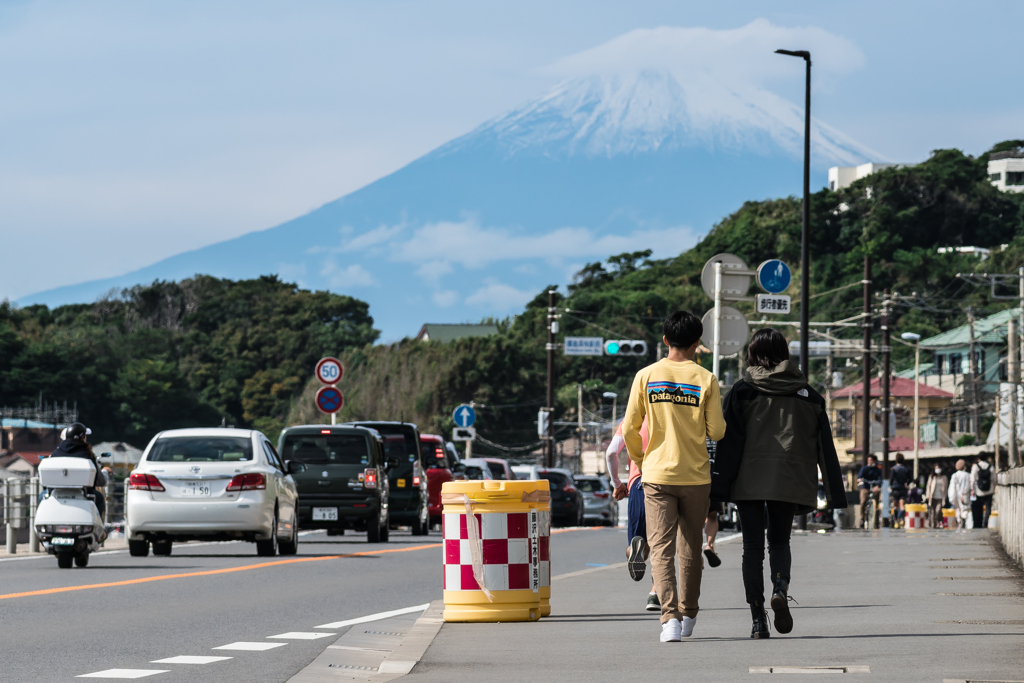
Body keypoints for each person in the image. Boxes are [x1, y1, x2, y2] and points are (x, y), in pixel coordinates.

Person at [712, 328, 846, 639]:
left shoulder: (742, 391)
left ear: (752, 355)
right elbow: (825, 446)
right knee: (780, 542)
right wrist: (836, 494)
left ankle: (758, 618)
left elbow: (728, 443)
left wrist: (717, 489)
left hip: (748, 481)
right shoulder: (810, 395)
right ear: (785, 354)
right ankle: (780, 589)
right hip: (790, 480)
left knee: (752, 549)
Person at [622, 311, 726, 643]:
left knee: (661, 547)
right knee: (691, 547)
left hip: (656, 475)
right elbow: (718, 431)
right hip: (695, 476)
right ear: (698, 343)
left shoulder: (646, 375)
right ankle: (689, 612)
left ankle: (669, 621)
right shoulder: (706, 379)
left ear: (665, 340)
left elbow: (628, 429)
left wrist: (642, 460)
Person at [606, 418, 660, 611]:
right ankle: (655, 593)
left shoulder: (630, 420)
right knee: (660, 544)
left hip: (639, 483)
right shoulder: (668, 410)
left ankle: (633, 552)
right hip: (666, 481)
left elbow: (611, 452)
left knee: (639, 542)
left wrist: (617, 484)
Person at [45, 422, 108, 519]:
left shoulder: (56, 453)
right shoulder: (87, 454)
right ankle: (98, 529)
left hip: (56, 494)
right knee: (99, 498)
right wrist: (105, 472)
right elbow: (100, 481)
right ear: (82, 437)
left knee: (42, 496)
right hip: (83, 495)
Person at [970, 454, 995, 528]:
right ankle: (985, 522)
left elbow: (972, 479)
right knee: (988, 507)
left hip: (979, 491)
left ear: (979, 458)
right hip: (989, 490)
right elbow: (994, 479)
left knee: (979, 508)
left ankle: (980, 522)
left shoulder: (976, 467)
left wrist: (972, 489)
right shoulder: (991, 467)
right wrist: (994, 487)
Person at [857, 455, 883, 525]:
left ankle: (876, 514)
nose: (869, 462)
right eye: (868, 460)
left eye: (871, 460)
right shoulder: (864, 468)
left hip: (874, 486)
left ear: (874, 461)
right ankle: (862, 518)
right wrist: (859, 480)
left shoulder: (877, 469)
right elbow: (859, 477)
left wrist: (878, 485)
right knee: (863, 501)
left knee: (877, 495)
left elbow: (880, 478)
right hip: (865, 486)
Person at [889, 453, 912, 525]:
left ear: (896, 460)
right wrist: (907, 483)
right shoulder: (906, 469)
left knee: (895, 505)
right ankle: (901, 518)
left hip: (895, 489)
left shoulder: (893, 468)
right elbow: (911, 478)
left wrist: (890, 485)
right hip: (903, 489)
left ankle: (895, 520)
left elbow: (891, 478)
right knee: (902, 506)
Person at [948, 459, 971, 530]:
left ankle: (959, 522)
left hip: (957, 496)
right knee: (965, 510)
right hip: (965, 495)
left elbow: (952, 487)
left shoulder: (954, 475)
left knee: (958, 510)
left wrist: (951, 497)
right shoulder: (968, 475)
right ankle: (963, 522)